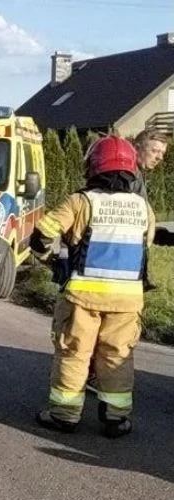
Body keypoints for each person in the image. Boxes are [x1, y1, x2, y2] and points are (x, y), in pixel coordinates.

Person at [29, 135, 155, 438]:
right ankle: (116, 417)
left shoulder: (81, 201)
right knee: (117, 356)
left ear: (93, 168)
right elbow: (145, 245)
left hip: (82, 297)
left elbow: (44, 231)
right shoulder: (143, 207)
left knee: (74, 354)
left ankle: (64, 415)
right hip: (127, 301)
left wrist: (47, 256)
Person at [86, 128, 167, 393]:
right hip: (116, 265)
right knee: (112, 331)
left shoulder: (135, 176)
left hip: (119, 264)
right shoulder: (127, 178)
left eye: (162, 153)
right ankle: (96, 375)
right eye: (154, 151)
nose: (159, 158)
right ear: (138, 147)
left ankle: (91, 373)